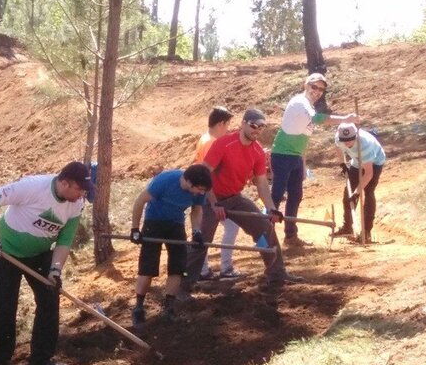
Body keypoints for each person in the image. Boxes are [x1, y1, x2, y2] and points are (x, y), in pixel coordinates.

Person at [0, 161, 89, 365]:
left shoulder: (76, 204)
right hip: (6, 253)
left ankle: (40, 363)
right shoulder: (33, 187)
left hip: (41, 255)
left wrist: (56, 269)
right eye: (78, 189)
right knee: (5, 308)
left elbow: (65, 240)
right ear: (64, 183)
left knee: (50, 301)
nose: (81, 195)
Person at [182, 108, 301, 295]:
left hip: (235, 198)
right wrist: (214, 203)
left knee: (264, 228)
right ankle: (184, 286)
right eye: (254, 125)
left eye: (261, 127)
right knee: (202, 240)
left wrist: (271, 208)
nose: (257, 130)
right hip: (210, 197)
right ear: (243, 123)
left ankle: (276, 273)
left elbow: (261, 183)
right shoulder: (224, 144)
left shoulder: (257, 152)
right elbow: (205, 174)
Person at [270, 72, 358, 247]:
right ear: (306, 85)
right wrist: (344, 119)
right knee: (276, 196)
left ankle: (290, 236)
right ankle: (265, 238)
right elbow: (317, 119)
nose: (317, 91)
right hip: (282, 155)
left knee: (296, 196)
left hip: (295, 156)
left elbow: (303, 138)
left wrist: (302, 165)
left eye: (321, 89)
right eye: (314, 86)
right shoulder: (299, 102)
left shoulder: (308, 105)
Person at [129, 164, 212, 325]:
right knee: (148, 267)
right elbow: (140, 200)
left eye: (203, 191)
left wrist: (197, 231)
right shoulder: (165, 180)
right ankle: (138, 308)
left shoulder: (199, 191)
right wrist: (135, 229)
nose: (201, 193)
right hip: (154, 222)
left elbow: (196, 210)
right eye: (200, 190)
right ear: (188, 182)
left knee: (178, 267)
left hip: (176, 224)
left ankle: (169, 308)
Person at [195, 106, 241, 279]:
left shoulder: (205, 139)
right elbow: (208, 172)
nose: (228, 129)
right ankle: (215, 268)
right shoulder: (211, 142)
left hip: (207, 191)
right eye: (228, 125)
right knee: (214, 229)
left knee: (208, 230)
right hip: (210, 193)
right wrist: (213, 200)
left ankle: (207, 269)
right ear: (221, 123)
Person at [333, 122, 386, 242]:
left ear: (356, 136)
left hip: (374, 162)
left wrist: (357, 193)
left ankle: (366, 232)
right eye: (344, 140)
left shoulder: (365, 145)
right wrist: (343, 163)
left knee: (368, 191)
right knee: (348, 194)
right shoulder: (339, 138)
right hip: (356, 161)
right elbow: (338, 147)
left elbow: (368, 173)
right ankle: (347, 227)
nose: (347, 143)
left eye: (350, 140)